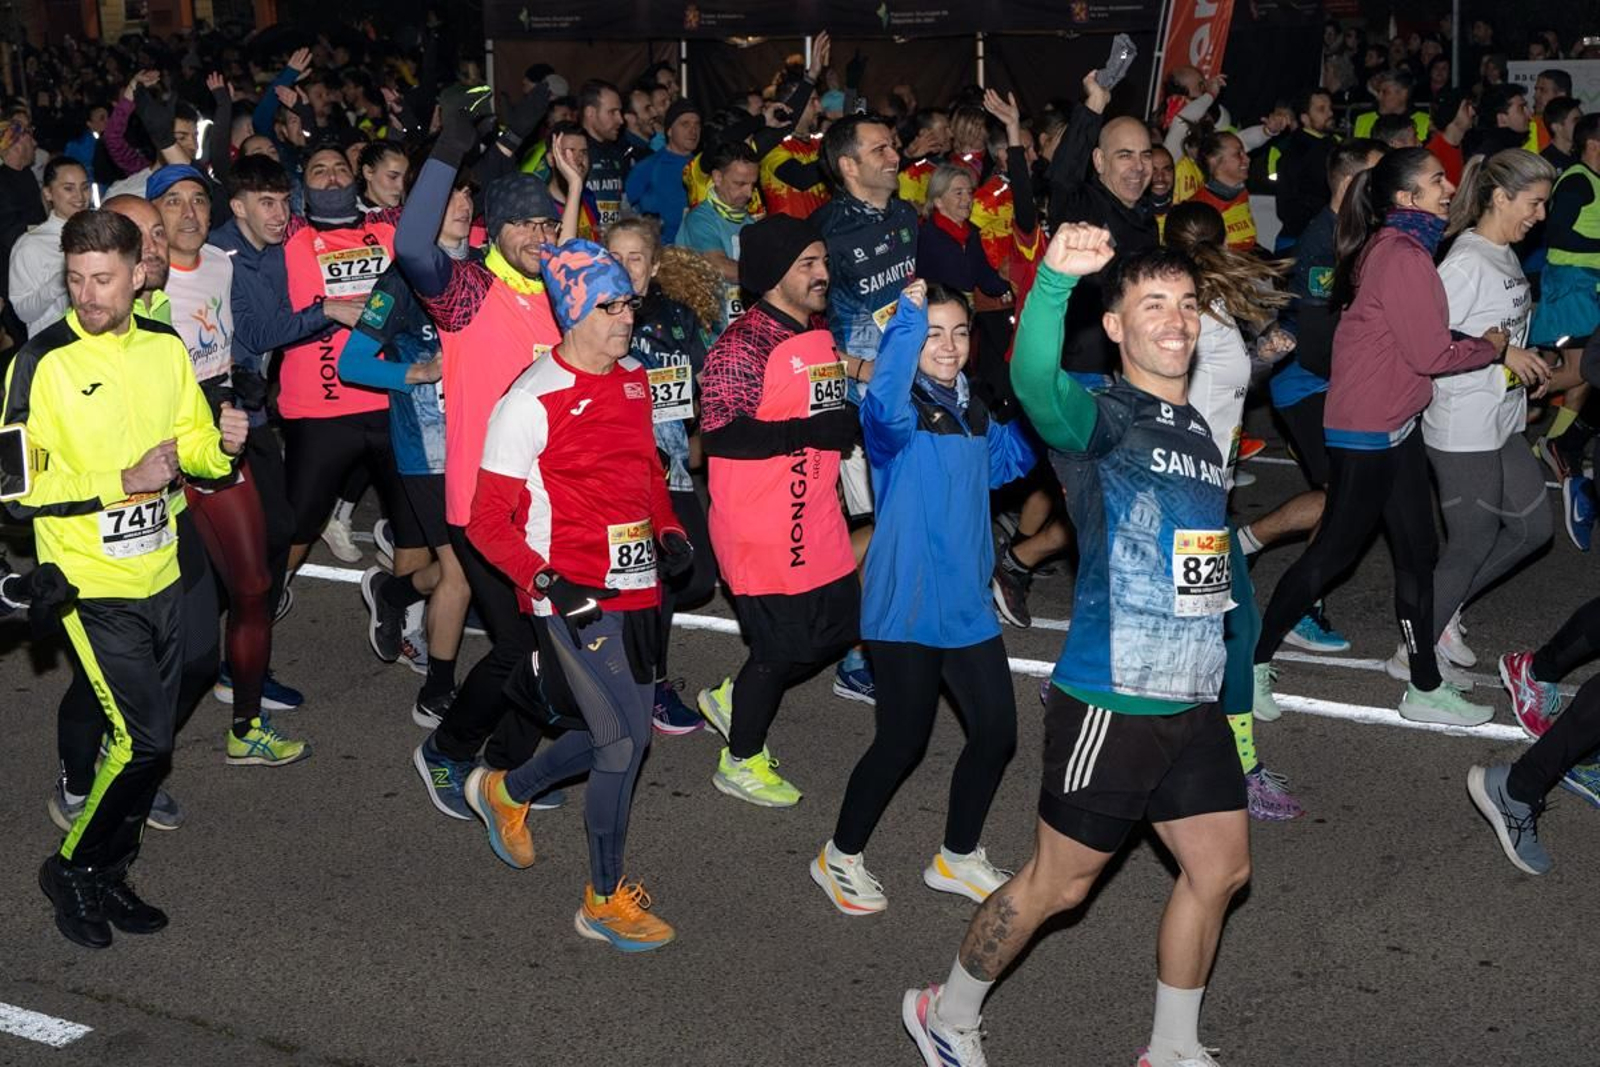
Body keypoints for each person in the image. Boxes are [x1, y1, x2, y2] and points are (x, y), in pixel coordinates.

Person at [903, 225, 1251, 1067]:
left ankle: (1172, 1047)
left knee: (1221, 871)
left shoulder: (1196, 429)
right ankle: (945, 1012)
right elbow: (1031, 379)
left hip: (1192, 698)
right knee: (1060, 883)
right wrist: (1054, 280)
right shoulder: (1103, 415)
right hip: (1114, 696)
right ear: (1118, 326)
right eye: (1153, 305)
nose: (1176, 320)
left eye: (1187, 304)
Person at [6, 209, 245, 948]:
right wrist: (121, 480)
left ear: (139, 274)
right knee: (143, 741)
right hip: (88, 582)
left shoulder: (165, 347)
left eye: (103, 279)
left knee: (145, 744)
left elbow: (191, 443)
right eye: (76, 279)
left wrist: (221, 446)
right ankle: (71, 868)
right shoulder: (40, 362)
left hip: (161, 569)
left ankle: (111, 870)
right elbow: (14, 490)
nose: (88, 295)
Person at [462, 239, 690, 953]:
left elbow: (646, 472)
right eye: (609, 306)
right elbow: (484, 521)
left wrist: (670, 527)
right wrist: (545, 581)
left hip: (637, 586)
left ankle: (505, 790)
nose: (626, 318)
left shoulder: (634, 378)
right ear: (570, 313)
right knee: (622, 744)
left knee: (618, 735)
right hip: (572, 595)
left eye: (629, 304)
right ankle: (602, 899)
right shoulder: (529, 400)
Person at [1251, 147, 1517, 726]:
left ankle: (1423, 686)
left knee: (1417, 553)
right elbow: (1431, 355)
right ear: (1406, 198)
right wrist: (1490, 348)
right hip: (1366, 429)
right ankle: (1251, 664)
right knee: (1333, 553)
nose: (1449, 187)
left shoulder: (1405, 247)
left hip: (1397, 424)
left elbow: (1415, 338)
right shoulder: (1401, 254)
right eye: (1437, 180)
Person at [814, 280, 1033, 915]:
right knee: (901, 742)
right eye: (933, 334)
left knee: (996, 733)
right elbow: (883, 399)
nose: (948, 346)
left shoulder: (973, 408)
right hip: (904, 604)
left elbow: (1009, 464)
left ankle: (956, 857)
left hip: (966, 605)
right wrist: (906, 321)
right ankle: (838, 856)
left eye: (959, 332)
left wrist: (1038, 405)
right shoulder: (896, 414)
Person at [395, 94, 572, 819]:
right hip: (484, 506)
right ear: (495, 231)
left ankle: (506, 768)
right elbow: (412, 247)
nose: (539, 234)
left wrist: (571, 185)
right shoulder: (471, 291)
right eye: (524, 223)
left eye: (546, 223)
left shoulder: (558, 295)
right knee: (519, 644)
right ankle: (445, 751)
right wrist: (448, 152)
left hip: (545, 507)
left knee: (548, 643)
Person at [695, 214, 860, 806]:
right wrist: (808, 432)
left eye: (823, 261)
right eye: (807, 264)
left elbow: (819, 407)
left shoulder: (814, 331)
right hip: (760, 527)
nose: (822, 273)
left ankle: (736, 697)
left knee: (841, 626)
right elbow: (720, 434)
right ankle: (740, 759)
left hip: (814, 514)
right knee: (783, 649)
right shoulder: (741, 346)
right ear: (772, 275)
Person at [150, 162, 307, 764]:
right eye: (173, 202)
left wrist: (238, 385)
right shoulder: (144, 283)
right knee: (169, 619)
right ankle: (136, 747)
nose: (188, 212)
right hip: (161, 457)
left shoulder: (220, 262)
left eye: (197, 199)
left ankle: (245, 725)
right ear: (153, 218)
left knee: (254, 585)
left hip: (219, 441)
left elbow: (227, 343)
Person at [1388, 149, 1555, 686]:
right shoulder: (1465, 261)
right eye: (1534, 203)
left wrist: (1527, 365)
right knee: (1470, 542)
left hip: (1501, 418)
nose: (1540, 216)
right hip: (1463, 425)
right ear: (1500, 197)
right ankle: (1413, 652)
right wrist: (1505, 355)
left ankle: (1445, 611)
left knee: (1533, 529)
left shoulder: (1503, 253)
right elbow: (1427, 339)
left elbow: (1500, 329)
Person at [1165, 200, 1305, 821]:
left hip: (1201, 497)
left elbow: (1219, 385)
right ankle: (1239, 769)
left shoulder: (1209, 310)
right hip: (1189, 502)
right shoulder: (1192, 317)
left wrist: (1263, 358)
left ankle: (1083, 685)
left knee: (1205, 628)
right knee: (1233, 629)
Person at [341, 168, 474, 723]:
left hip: (481, 445)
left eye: (466, 196)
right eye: (448, 198)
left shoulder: (484, 270)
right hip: (426, 450)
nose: (461, 206)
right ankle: (436, 693)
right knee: (461, 572)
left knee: (469, 566)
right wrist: (414, 373)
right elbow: (351, 363)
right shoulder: (399, 280)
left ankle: (394, 595)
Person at [1248, 139, 1388, 655]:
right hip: (1307, 384)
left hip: (1337, 383)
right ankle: (1303, 609)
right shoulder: (1322, 241)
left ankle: (1245, 543)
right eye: (1378, 176)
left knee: (1343, 497)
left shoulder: (1362, 229)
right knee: (1345, 500)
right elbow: (1313, 342)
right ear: (1350, 183)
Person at [813, 113, 920, 702]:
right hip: (857, 407)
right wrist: (858, 370)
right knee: (881, 526)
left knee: (903, 521)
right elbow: (798, 323)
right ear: (848, 165)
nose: (894, 155)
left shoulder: (905, 216)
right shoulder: (824, 234)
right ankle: (853, 653)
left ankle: (880, 630)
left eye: (893, 145)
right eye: (880, 149)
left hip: (909, 390)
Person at [603, 217, 719, 734]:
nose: (626, 267)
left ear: (653, 266)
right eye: (616, 257)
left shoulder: (677, 316)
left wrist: (700, 439)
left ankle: (633, 669)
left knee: (696, 574)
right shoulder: (592, 316)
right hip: (617, 474)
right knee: (652, 580)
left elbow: (699, 384)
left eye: (636, 257)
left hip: (671, 471)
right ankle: (649, 684)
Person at [676, 139, 761, 326]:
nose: (748, 193)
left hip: (739, 325)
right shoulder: (700, 219)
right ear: (717, 177)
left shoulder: (748, 221)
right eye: (740, 183)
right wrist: (771, 275)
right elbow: (719, 266)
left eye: (753, 185)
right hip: (707, 329)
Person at [8, 156, 90, 337]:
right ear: (48, 193)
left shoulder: (99, 234)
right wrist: (61, 280)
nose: (80, 197)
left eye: (85, 187)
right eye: (68, 188)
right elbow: (24, 312)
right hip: (55, 344)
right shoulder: (32, 244)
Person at [914, 164, 1009, 301]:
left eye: (969, 192)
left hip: (964, 309)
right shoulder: (926, 237)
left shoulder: (971, 233)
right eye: (959, 193)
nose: (968, 199)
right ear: (938, 201)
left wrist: (1005, 275)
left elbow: (986, 281)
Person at [624, 100, 701, 242]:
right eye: (685, 124)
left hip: (696, 249)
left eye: (697, 124)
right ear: (669, 131)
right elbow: (625, 210)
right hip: (661, 249)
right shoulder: (648, 167)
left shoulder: (703, 168)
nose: (693, 131)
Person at [1274, 88, 1338, 246]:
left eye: (1330, 108)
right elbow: (1288, 203)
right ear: (1305, 118)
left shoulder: (1332, 144)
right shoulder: (1296, 151)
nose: (1330, 113)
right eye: (1321, 109)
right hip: (1301, 237)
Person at [1190, 131, 1259, 251]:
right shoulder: (1198, 207)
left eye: (1245, 153)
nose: (1247, 159)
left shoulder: (1241, 192)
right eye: (1238, 154)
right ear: (1213, 160)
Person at [1463, 84, 1532, 162]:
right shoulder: (1497, 157)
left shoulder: (1486, 149)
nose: (1529, 114)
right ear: (1502, 119)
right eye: (1521, 108)